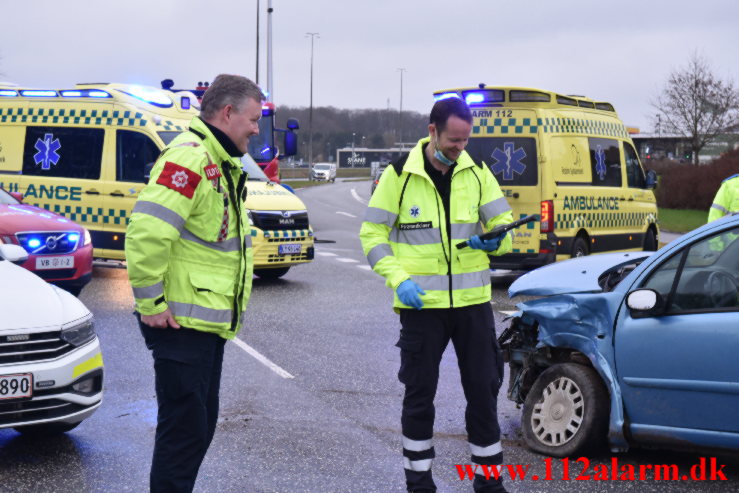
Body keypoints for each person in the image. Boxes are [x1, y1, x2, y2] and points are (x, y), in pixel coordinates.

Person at [360, 97, 513, 493]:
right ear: (432, 131)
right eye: (453, 140)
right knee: (419, 395)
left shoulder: (477, 172)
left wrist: (495, 239)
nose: (460, 148)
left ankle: (489, 483)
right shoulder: (399, 176)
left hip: (472, 306)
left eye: (465, 140)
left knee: (483, 392)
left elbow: (505, 225)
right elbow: (372, 235)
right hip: (421, 307)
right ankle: (419, 482)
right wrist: (398, 279)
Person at [125, 74, 261, 492]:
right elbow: (147, 233)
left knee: (195, 431)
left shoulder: (219, 162)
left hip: (204, 326)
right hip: (179, 325)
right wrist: (152, 305)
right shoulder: (190, 159)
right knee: (183, 437)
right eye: (253, 119)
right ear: (227, 113)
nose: (256, 129)